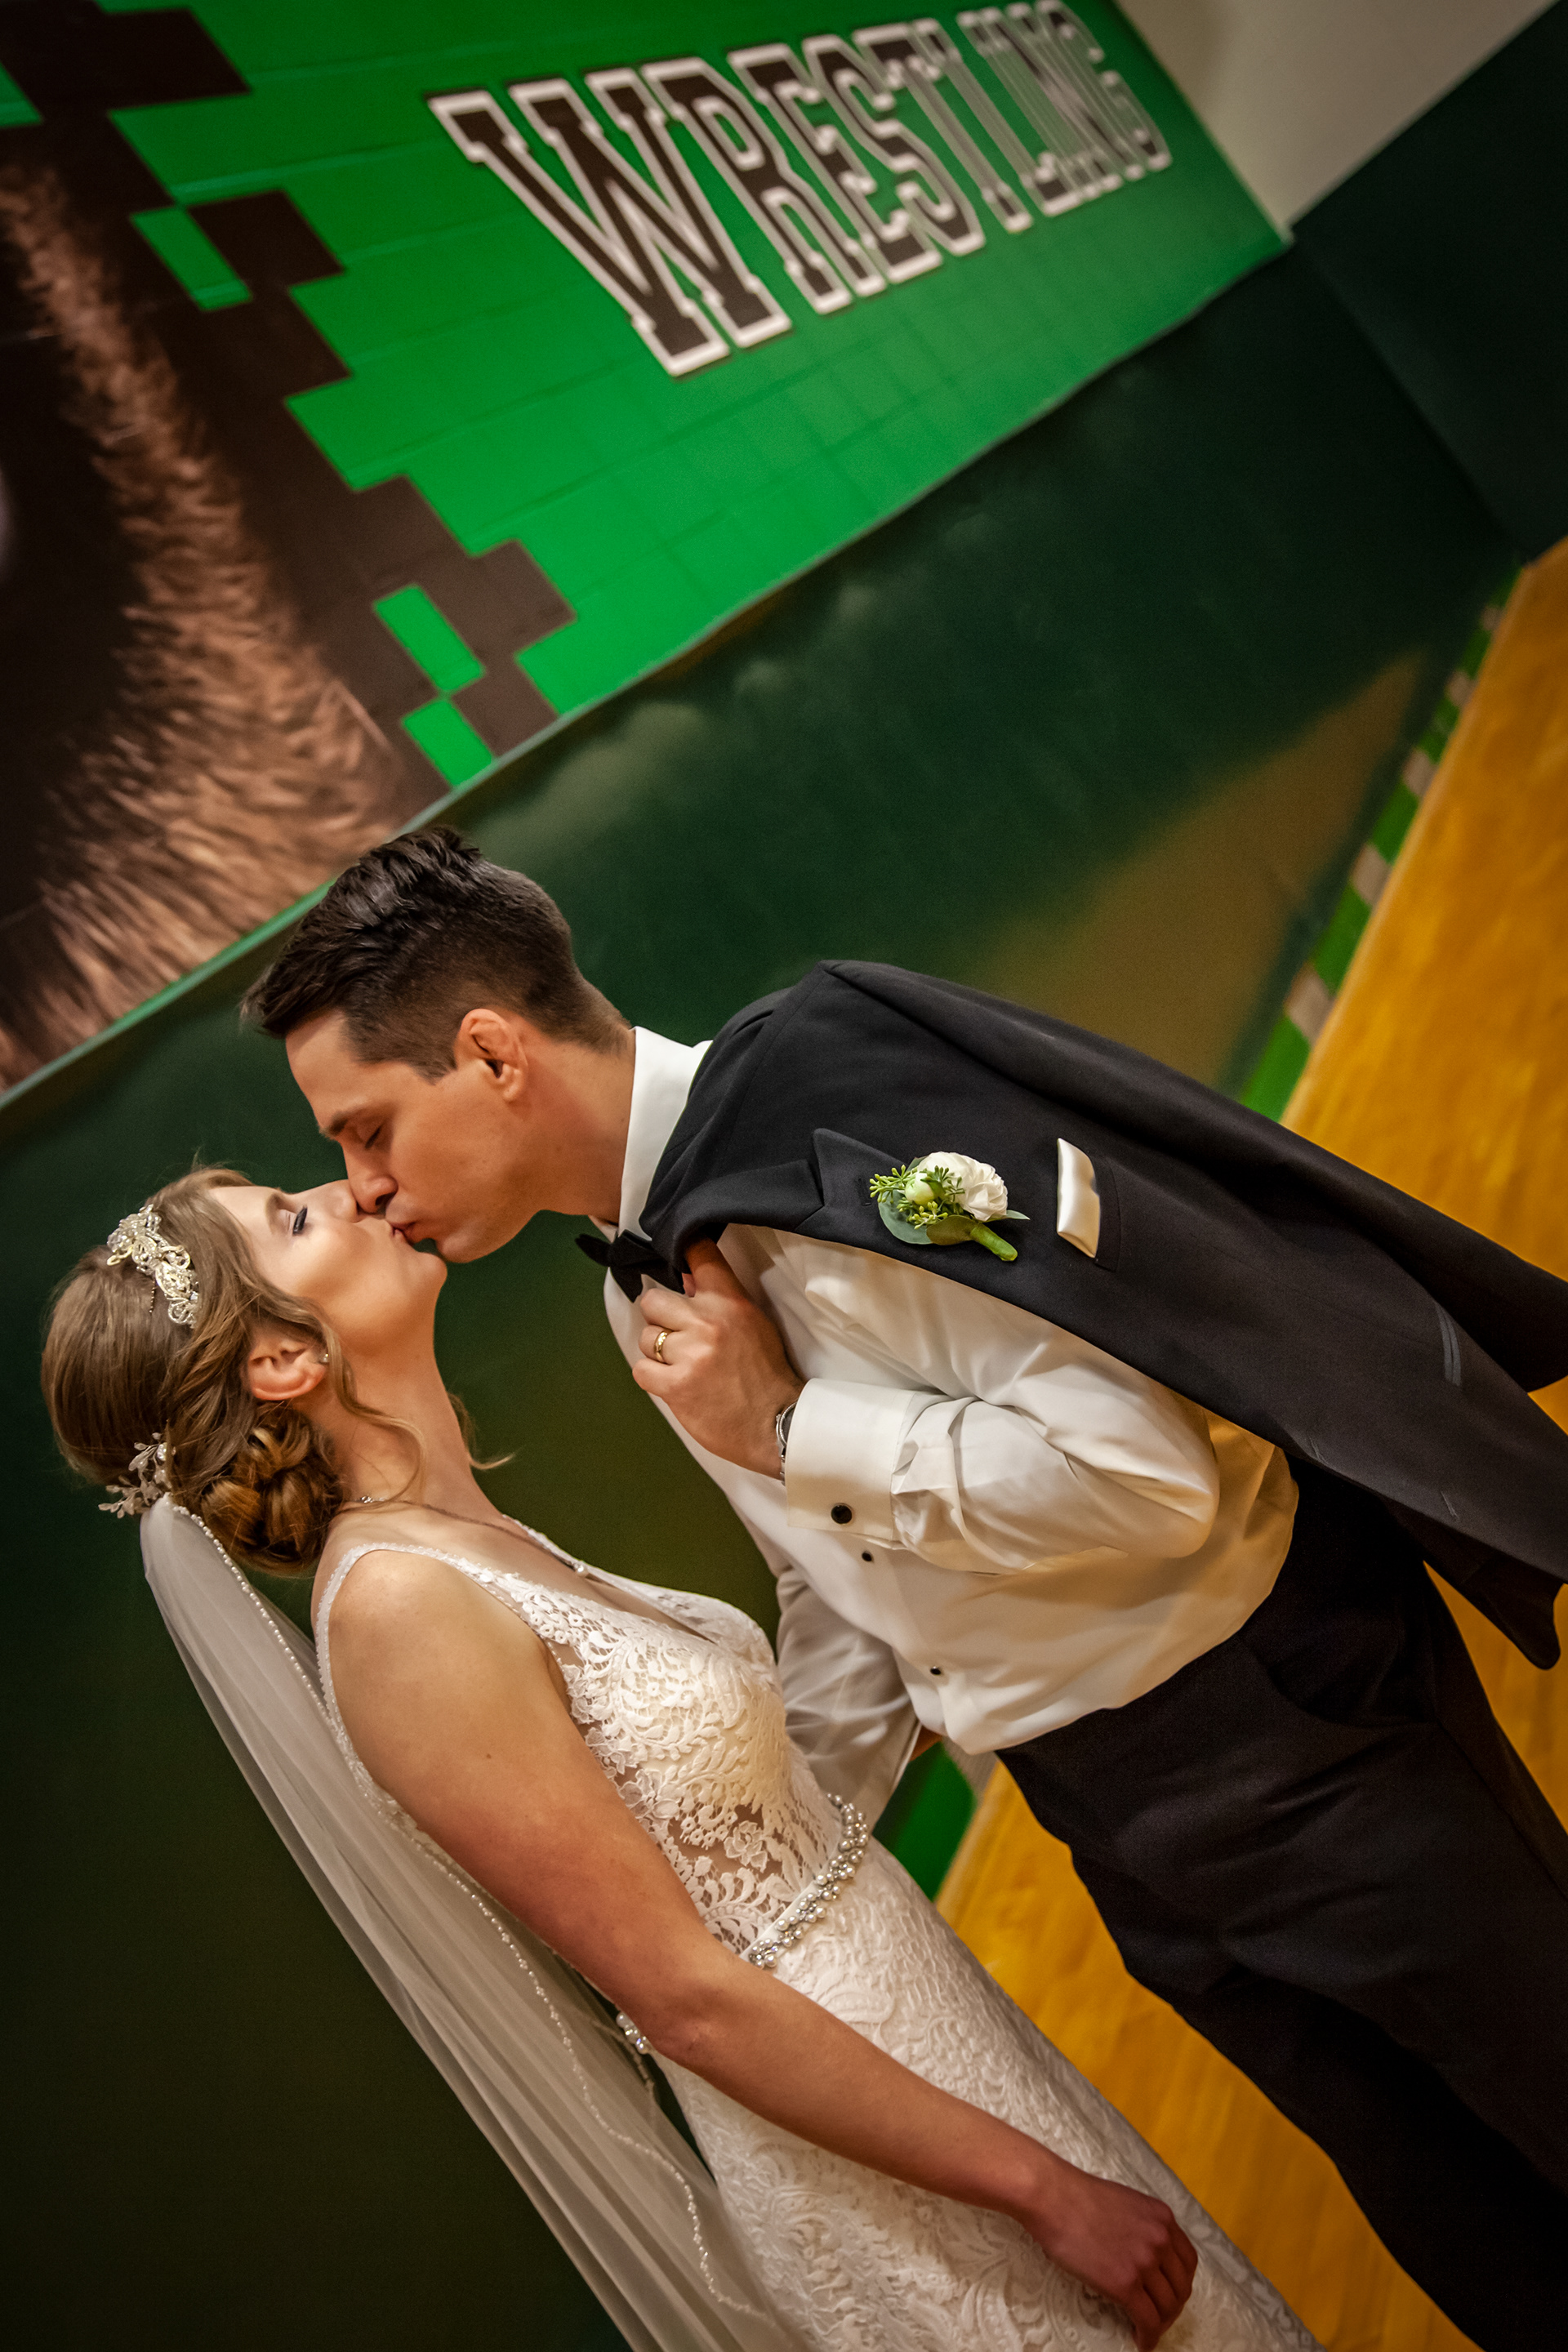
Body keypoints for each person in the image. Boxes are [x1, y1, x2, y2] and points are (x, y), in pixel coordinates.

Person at [240, 828, 1568, 2352]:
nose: (364, 1187)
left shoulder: (838, 1138)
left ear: (491, 1054)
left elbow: (1145, 1479)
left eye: (367, 1131)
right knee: (1460, 2215)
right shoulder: (644, 1286)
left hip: (1288, 1727)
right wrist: (766, 1855)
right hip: (1106, 1813)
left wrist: (791, 1428)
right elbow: (841, 1588)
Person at [43, 1166, 1323, 2352]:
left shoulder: (459, 1535)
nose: (346, 1189)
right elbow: (684, 2001)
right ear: (282, 1360)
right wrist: (1038, 2186)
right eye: (294, 1218)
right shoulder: (397, 1612)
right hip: (875, 2154)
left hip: (921, 2029)